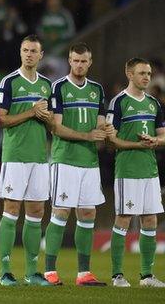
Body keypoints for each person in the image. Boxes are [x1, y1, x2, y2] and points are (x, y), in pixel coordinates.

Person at [44, 43, 110, 286]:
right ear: (69, 61)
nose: (79, 65)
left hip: (89, 161)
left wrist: (105, 131)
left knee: (87, 213)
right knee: (61, 211)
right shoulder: (59, 87)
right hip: (65, 160)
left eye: (83, 61)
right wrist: (87, 136)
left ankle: (84, 273)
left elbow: (101, 123)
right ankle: (49, 271)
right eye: (75, 60)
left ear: (89, 62)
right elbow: (56, 127)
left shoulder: (97, 89)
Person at [0, 34, 53, 286]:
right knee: (11, 210)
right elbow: (1, 119)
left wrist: (47, 117)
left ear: (41, 56)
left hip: (39, 157)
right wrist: (32, 112)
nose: (29, 54)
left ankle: (32, 272)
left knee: (36, 212)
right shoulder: (9, 82)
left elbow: (51, 120)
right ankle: (5, 271)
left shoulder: (47, 85)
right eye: (25, 50)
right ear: (20, 53)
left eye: (34, 51)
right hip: (16, 156)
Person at [106, 58, 165, 288]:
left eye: (149, 73)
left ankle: (147, 275)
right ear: (129, 74)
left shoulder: (154, 104)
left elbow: (163, 135)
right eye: (142, 73)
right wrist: (136, 145)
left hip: (150, 170)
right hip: (127, 170)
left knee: (150, 219)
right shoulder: (119, 102)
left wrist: (155, 140)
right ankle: (117, 275)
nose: (147, 77)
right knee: (123, 218)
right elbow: (111, 141)